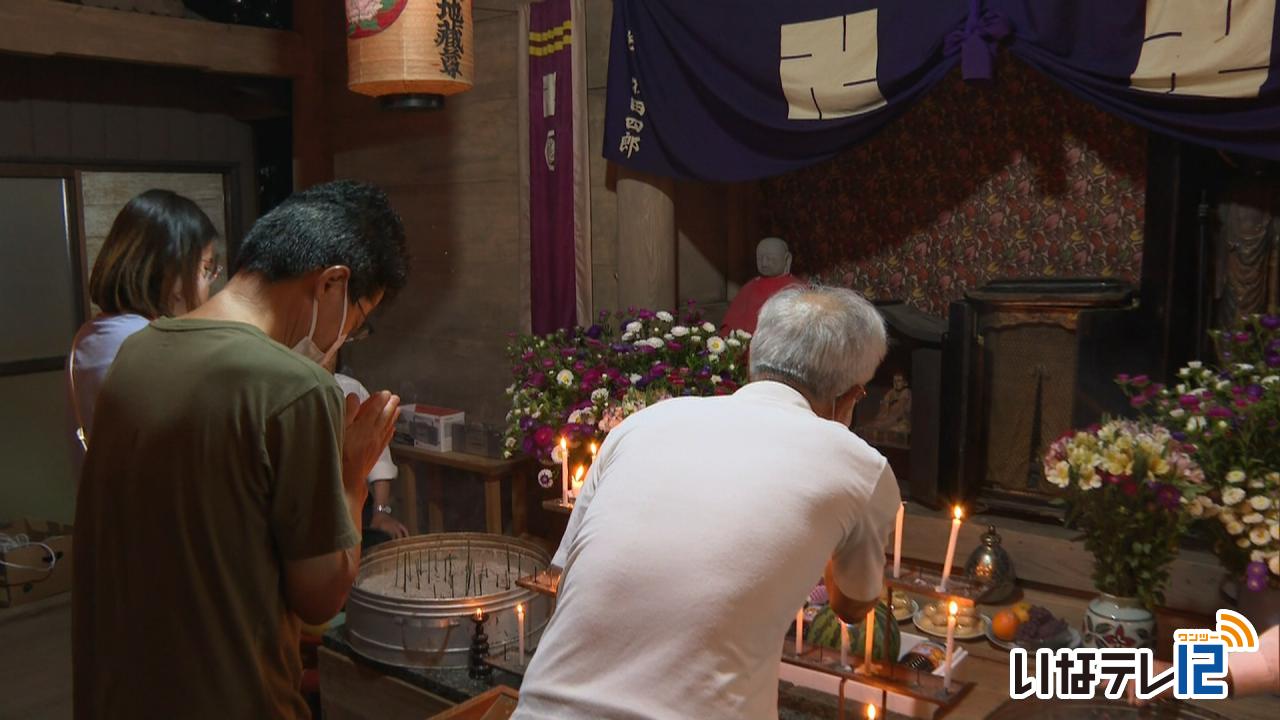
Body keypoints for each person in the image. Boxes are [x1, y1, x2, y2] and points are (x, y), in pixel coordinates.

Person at [72, 180, 409, 720]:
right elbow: (320, 596)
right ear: (332, 285)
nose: (346, 338)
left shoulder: (137, 352)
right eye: (357, 322)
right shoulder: (295, 386)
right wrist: (351, 472)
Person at [514, 286, 902, 719]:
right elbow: (852, 606)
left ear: (750, 358)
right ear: (849, 398)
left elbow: (564, 574)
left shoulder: (643, 425)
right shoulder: (861, 467)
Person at [67, 189, 221, 452]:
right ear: (170, 269)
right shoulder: (146, 343)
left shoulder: (94, 333)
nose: (210, 283)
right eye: (205, 268)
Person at [722, 236, 804, 335]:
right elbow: (731, 324)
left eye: (770, 259)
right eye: (760, 258)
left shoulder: (797, 289)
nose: (764, 263)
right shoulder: (750, 287)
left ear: (787, 259)